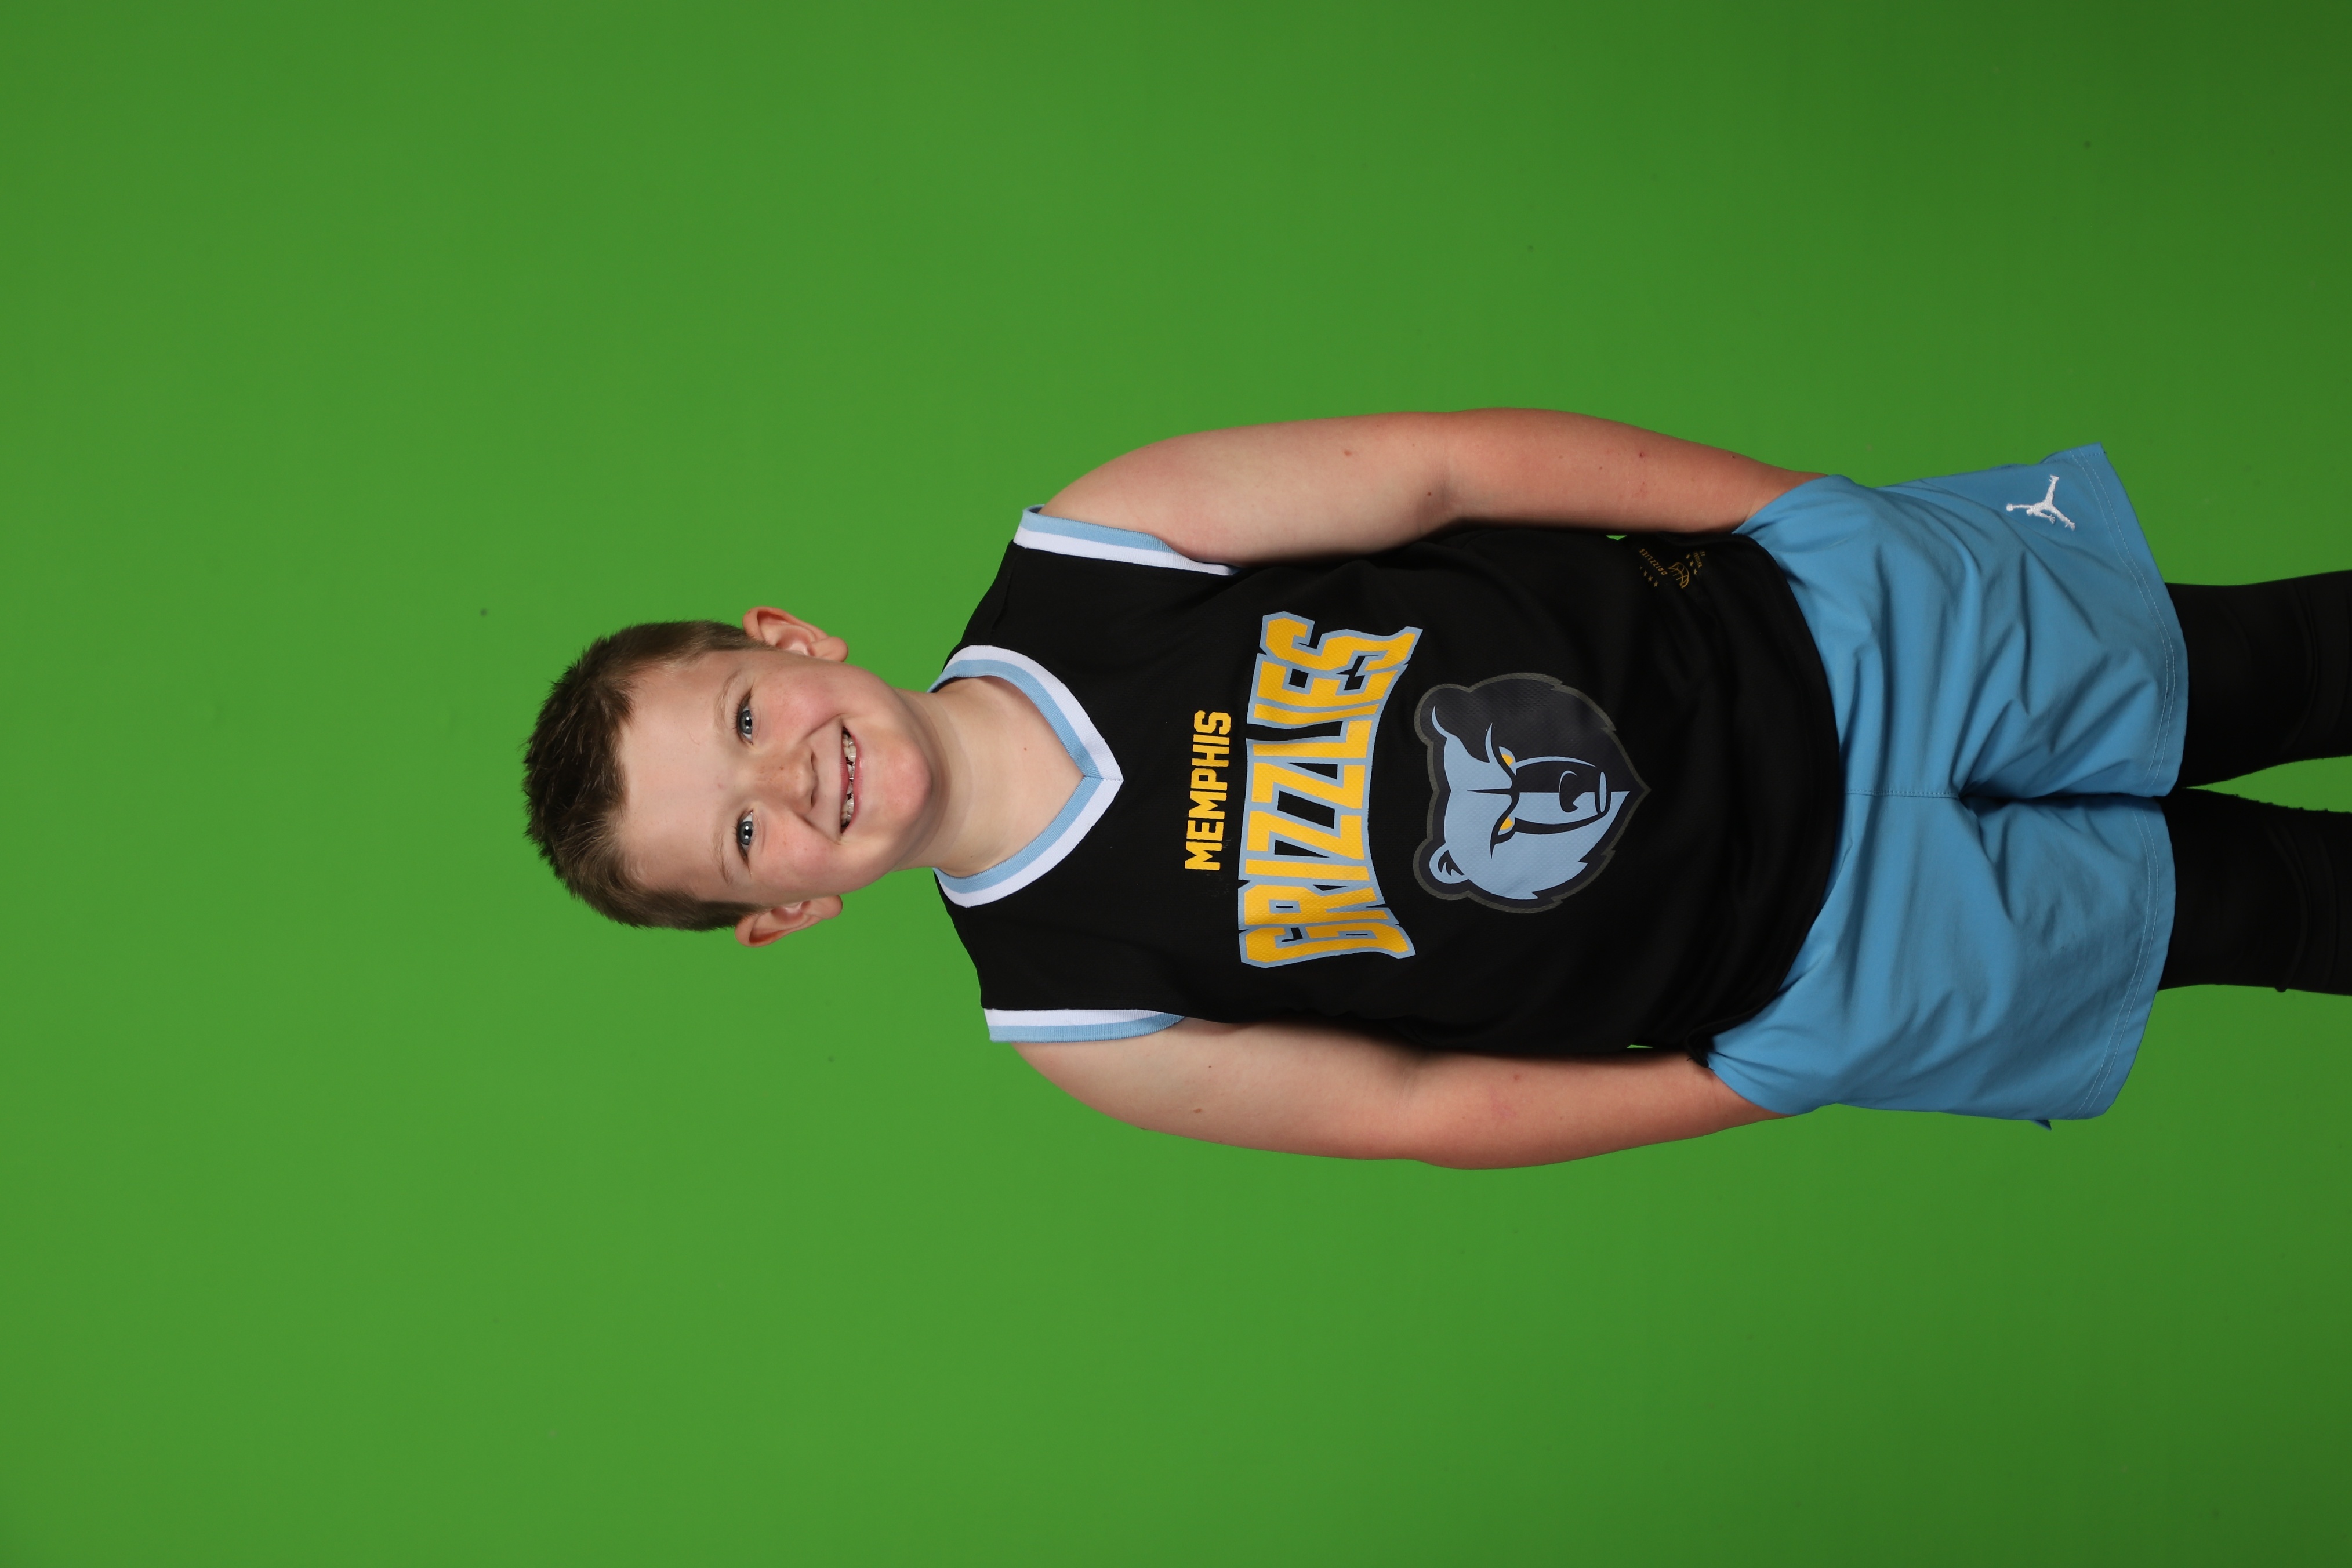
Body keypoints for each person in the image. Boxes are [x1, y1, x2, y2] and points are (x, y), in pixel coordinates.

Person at [521, 410, 2351, 1168]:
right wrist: (1753, 1073)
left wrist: (1787, 514)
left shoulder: (1103, 544)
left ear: (789, 636)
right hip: (1831, 957)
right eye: (744, 832)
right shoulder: (1077, 1017)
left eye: (746, 714)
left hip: (1847, 643)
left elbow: (1449, 466)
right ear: (786, 910)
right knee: (2280, 914)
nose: (795, 776)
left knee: (2285, 661)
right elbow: (1418, 1106)